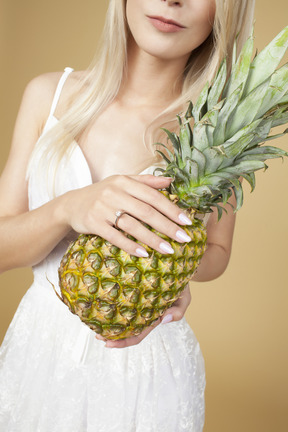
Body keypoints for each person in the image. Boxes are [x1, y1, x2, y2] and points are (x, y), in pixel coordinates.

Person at [0, 0, 255, 430]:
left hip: (146, 365)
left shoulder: (215, 136)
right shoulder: (50, 95)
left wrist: (172, 273)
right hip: (40, 349)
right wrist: (69, 207)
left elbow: (218, 251)